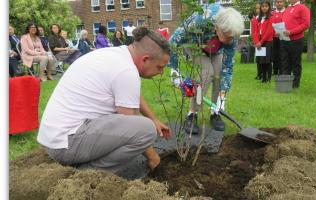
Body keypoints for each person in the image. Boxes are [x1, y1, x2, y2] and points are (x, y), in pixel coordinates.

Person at [37, 27, 171, 175]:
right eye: (160, 67)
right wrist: (153, 158)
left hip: (54, 138)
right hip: (65, 145)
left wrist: (153, 118)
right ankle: (86, 175)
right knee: (146, 130)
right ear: (145, 59)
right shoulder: (126, 71)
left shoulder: (116, 54)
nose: (161, 72)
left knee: (145, 125)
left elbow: (132, 94)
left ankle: (83, 166)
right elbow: (131, 122)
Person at [169, 3, 244, 133]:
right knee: (206, 72)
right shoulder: (201, 20)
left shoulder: (231, 34)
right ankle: (192, 115)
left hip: (215, 48)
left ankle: (215, 112)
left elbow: (228, 67)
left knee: (219, 74)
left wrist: (223, 93)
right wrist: (174, 70)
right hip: (194, 43)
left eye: (231, 37)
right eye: (227, 36)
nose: (229, 40)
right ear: (217, 27)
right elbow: (173, 41)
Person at [280, 0, 310, 88]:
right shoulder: (287, 8)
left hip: (296, 40)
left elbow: (306, 24)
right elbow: (283, 23)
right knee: (285, 62)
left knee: (295, 62)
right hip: (284, 39)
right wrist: (279, 32)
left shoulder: (303, 8)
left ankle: (295, 84)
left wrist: (291, 32)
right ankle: (286, 84)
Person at [253, 0, 274, 83]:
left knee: (267, 61)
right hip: (259, 41)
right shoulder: (258, 18)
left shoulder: (271, 17)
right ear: (260, 8)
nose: (264, 8)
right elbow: (254, 31)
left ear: (269, 7)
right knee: (261, 60)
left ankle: (267, 78)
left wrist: (261, 42)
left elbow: (269, 31)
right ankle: (262, 77)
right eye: (262, 6)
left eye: (266, 6)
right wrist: (256, 41)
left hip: (267, 41)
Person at [271, 0, 285, 75]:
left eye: (281, 2)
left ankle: (282, 70)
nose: (279, 3)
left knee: (283, 55)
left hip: (284, 37)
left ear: (283, 3)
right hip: (274, 37)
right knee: (275, 55)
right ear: (275, 3)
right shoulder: (272, 13)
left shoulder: (286, 12)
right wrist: (274, 33)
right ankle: (275, 70)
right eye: (277, 2)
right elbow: (270, 26)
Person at [250, 3, 261, 80]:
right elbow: (254, 31)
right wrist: (255, 41)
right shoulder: (255, 18)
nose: (257, 10)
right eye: (256, 8)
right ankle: (259, 74)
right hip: (257, 41)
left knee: (264, 59)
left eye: (259, 8)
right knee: (259, 58)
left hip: (263, 41)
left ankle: (264, 74)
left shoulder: (264, 18)